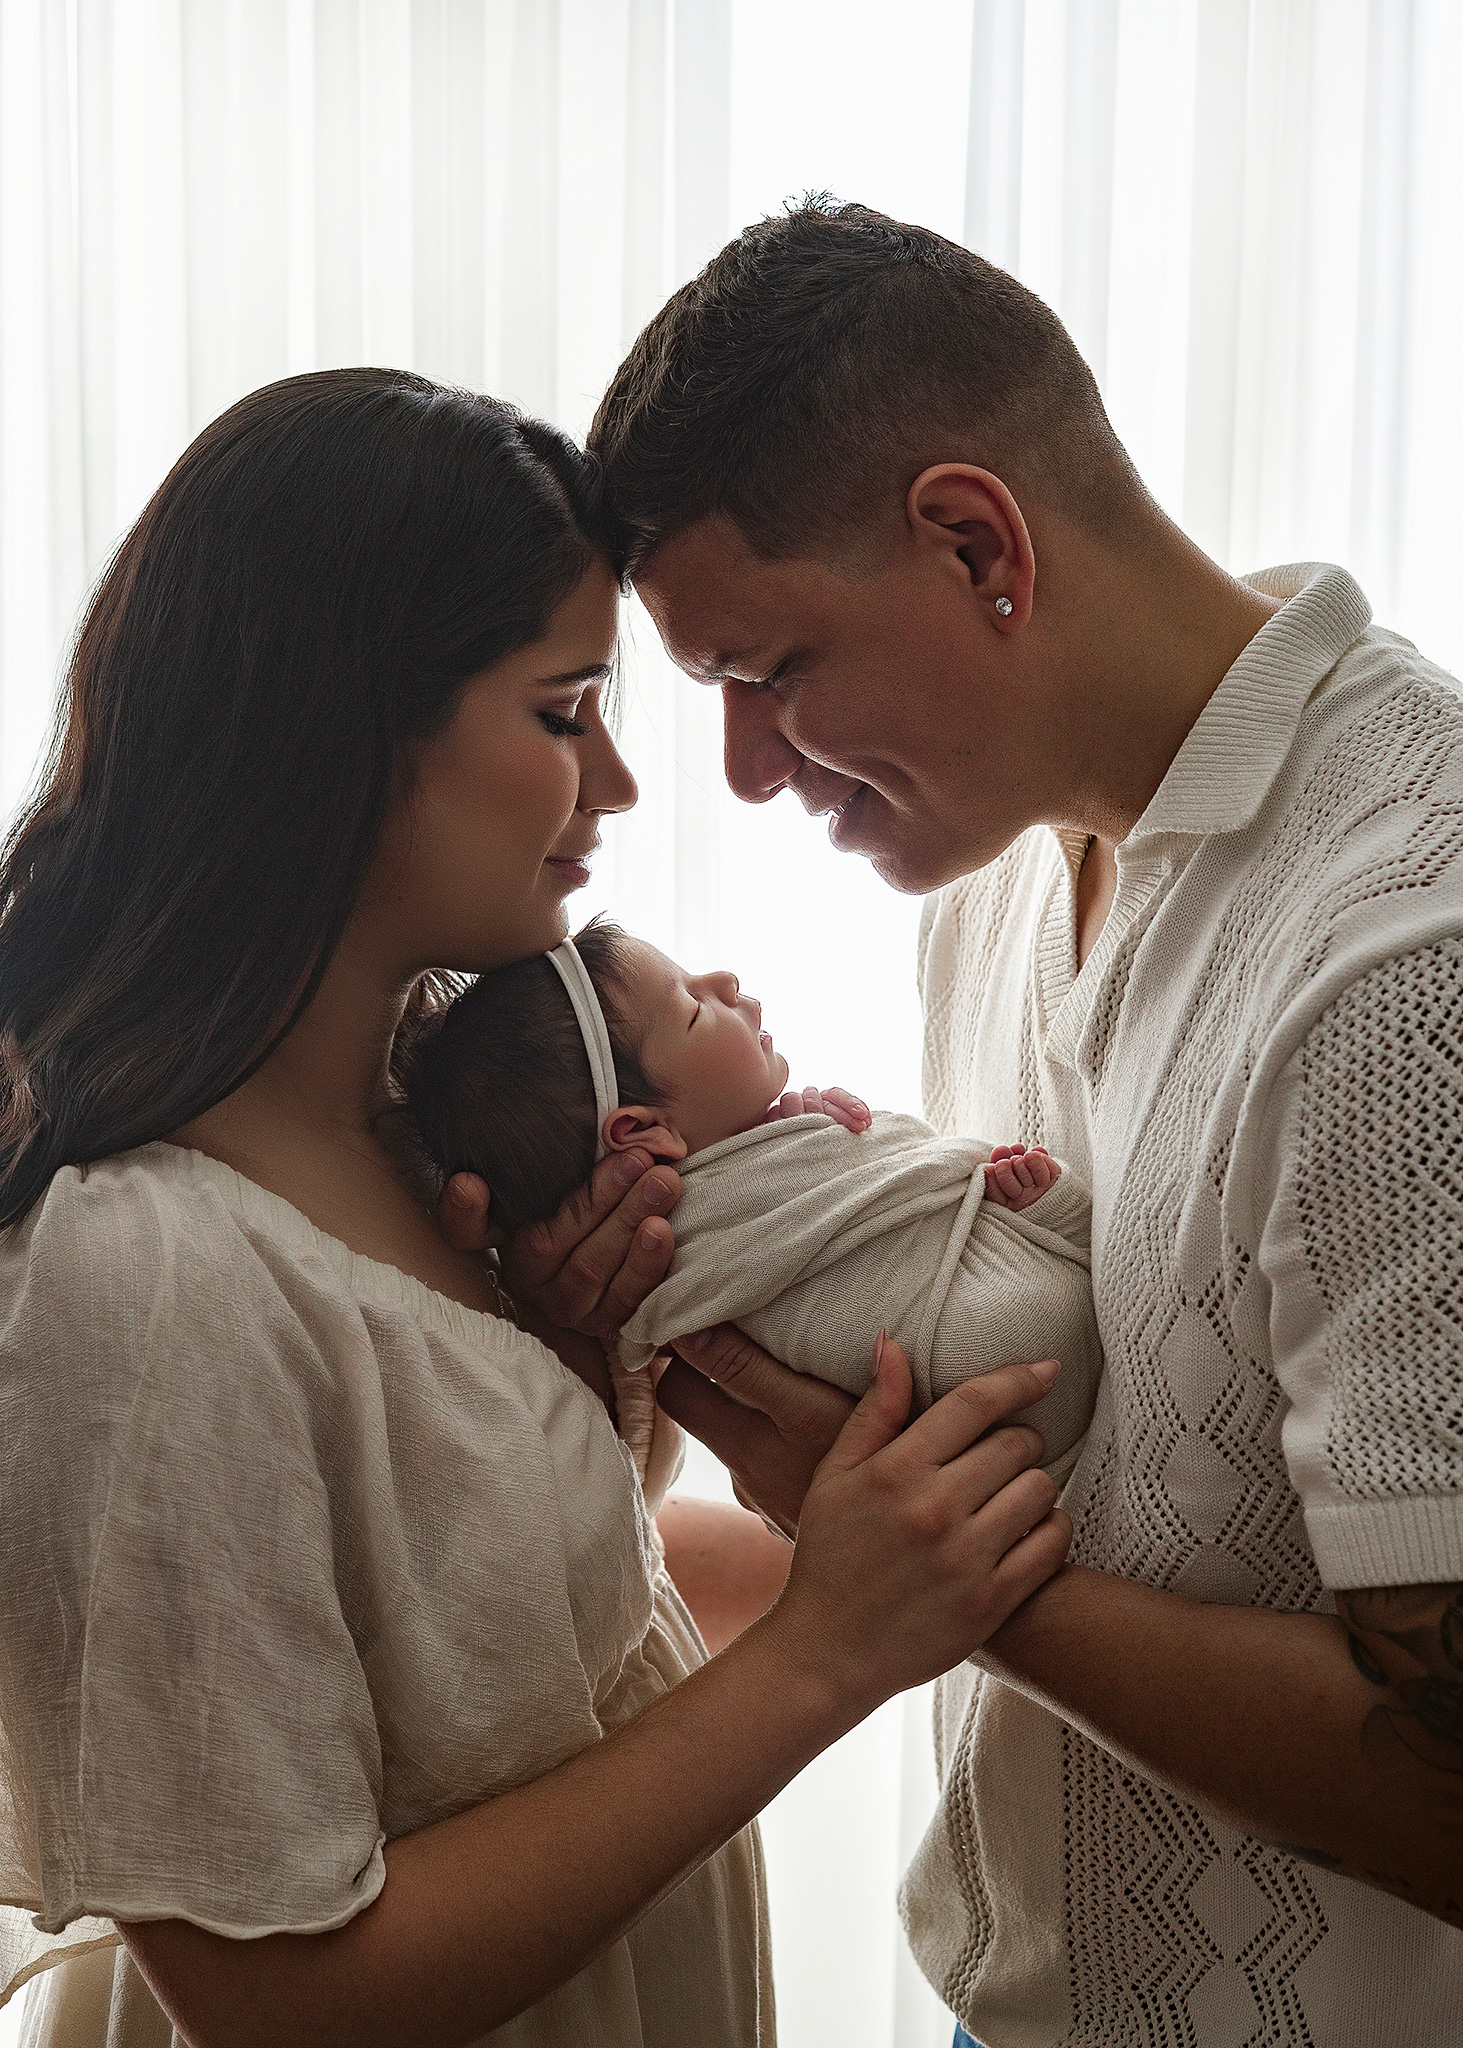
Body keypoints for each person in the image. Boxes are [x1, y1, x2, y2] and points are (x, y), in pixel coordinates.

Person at [446, 200, 1462, 2043]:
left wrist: (922, 1575)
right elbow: (1118, 1478)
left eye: (762, 674)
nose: (744, 772)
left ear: (975, 541)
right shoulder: (987, 884)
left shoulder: (1407, 960)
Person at [0, 368, 1075, 2048]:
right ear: (343, 734)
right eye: (566, 710)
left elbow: (487, 1646)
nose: (626, 789)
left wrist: (592, 1379)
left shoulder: (421, 1126)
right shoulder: (137, 1274)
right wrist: (823, 1652)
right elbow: (280, 1998)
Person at [398, 918, 1097, 1485]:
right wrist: (854, 1142)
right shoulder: (665, 1237)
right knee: (1034, 1250)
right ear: (640, 1133)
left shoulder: (748, 1166)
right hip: (980, 1347)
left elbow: (854, 1193)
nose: (725, 982)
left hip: (988, 1369)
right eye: (694, 1010)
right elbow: (884, 1190)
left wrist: (819, 1134)